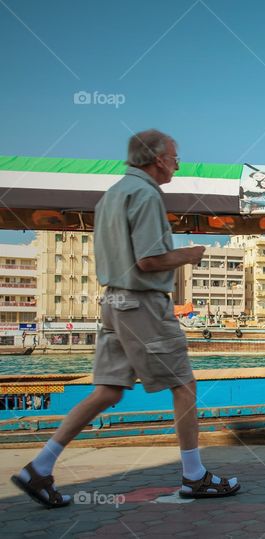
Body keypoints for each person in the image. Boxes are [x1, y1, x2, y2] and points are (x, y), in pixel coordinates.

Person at [10, 130, 240, 508]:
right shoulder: (146, 195)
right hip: (143, 303)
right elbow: (148, 261)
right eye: (175, 157)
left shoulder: (111, 196)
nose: (178, 164)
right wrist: (190, 254)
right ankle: (194, 476)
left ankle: (40, 467)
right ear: (158, 159)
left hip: (114, 302)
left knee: (108, 390)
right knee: (184, 384)